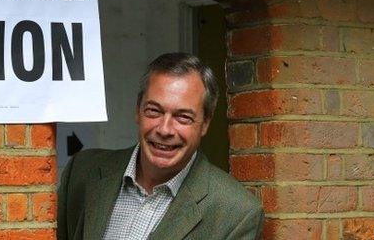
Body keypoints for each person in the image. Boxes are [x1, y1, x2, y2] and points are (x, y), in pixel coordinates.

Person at [57, 53, 264, 240]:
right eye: (154, 111)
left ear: (205, 123)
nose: (165, 129)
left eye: (183, 117)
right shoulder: (82, 172)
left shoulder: (236, 212)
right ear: (138, 110)